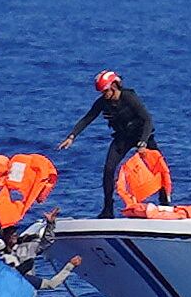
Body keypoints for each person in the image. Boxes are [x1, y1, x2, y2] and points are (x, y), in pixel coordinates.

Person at [58, 70, 156, 219]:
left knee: (157, 166)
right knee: (108, 170)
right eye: (102, 92)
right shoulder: (103, 102)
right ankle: (108, 209)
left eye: (105, 91)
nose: (104, 95)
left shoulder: (129, 97)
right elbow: (87, 118)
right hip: (122, 138)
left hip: (142, 136)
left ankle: (164, 201)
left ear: (114, 86)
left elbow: (147, 120)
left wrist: (142, 143)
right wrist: (72, 136)